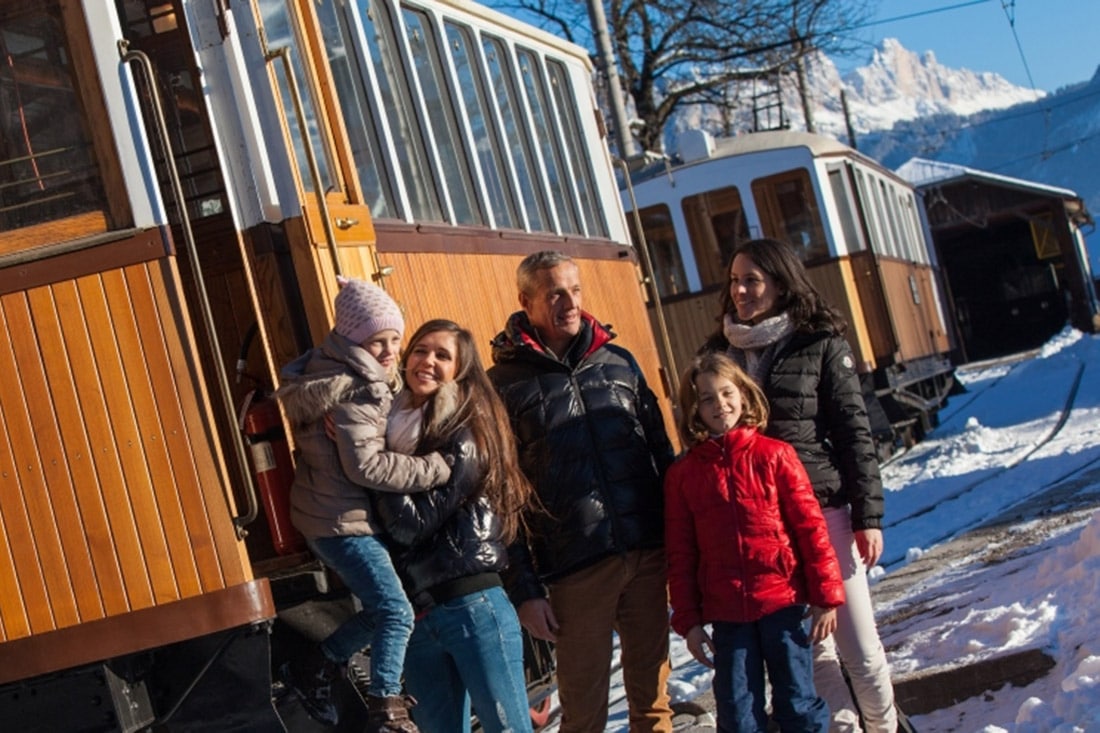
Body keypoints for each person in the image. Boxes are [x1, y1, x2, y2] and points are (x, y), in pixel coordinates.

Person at [702, 238, 899, 732]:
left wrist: (868, 516)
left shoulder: (821, 344)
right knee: (813, 647)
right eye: (734, 281)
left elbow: (855, 432)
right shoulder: (720, 351)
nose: (741, 291)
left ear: (781, 283)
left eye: (752, 280)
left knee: (860, 647)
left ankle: (883, 726)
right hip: (762, 526)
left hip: (823, 510)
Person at [487, 250, 677, 733]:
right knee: (584, 714)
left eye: (574, 290)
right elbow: (501, 498)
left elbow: (663, 456)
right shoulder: (503, 386)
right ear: (525, 301)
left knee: (654, 704)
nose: (568, 303)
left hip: (646, 553)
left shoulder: (618, 361)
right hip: (575, 569)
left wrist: (681, 543)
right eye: (553, 293)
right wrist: (525, 591)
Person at [276, 277, 451, 732]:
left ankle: (317, 663)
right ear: (354, 340)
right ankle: (385, 704)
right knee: (396, 611)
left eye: (395, 339)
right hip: (341, 522)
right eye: (379, 342)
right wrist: (435, 468)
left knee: (382, 609)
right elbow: (367, 469)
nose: (391, 350)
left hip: (334, 516)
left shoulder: (353, 375)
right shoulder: (355, 389)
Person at [664, 352, 845, 732]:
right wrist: (690, 622)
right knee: (736, 711)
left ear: (743, 395)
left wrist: (826, 595)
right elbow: (681, 554)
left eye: (727, 393)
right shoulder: (684, 475)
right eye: (707, 398)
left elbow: (810, 528)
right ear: (693, 408)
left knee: (797, 702)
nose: (720, 405)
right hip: (728, 613)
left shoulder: (775, 455)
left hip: (783, 602)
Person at [371, 319, 536, 733]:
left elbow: (411, 526)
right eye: (421, 350)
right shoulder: (392, 426)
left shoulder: (463, 434)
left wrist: (371, 463)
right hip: (420, 617)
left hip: (473, 608)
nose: (427, 361)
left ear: (460, 371)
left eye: (442, 355)